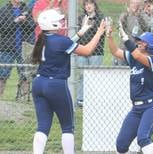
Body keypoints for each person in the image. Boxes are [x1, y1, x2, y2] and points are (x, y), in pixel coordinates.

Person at [31, 9, 105, 154]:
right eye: (58, 20)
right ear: (51, 24)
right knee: (67, 126)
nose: (62, 22)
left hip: (39, 83)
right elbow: (87, 50)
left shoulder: (42, 38)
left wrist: (82, 31)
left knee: (43, 126)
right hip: (55, 85)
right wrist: (99, 32)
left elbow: (65, 45)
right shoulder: (60, 40)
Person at [107, 21, 153, 154]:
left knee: (143, 138)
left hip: (152, 106)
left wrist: (125, 38)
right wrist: (109, 36)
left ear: (151, 46)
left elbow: (138, 55)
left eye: (142, 42)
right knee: (121, 145)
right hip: (136, 108)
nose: (139, 42)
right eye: (138, 41)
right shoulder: (134, 58)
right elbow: (115, 51)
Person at [0, 0, 35, 96]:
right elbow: (2, 28)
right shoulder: (4, 10)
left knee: (25, 75)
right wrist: (15, 21)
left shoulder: (26, 9)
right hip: (7, 48)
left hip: (23, 48)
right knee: (2, 75)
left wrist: (25, 21)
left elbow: (32, 27)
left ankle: (25, 97)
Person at [76, 0, 105, 107]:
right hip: (82, 51)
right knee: (82, 76)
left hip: (96, 52)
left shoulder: (100, 18)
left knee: (94, 76)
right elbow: (78, 34)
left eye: (90, 4)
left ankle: (94, 99)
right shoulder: (80, 18)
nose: (88, 6)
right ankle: (80, 99)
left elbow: (101, 34)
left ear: (94, 5)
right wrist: (83, 24)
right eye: (86, 4)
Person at [113, 0, 147, 66]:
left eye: (137, 3)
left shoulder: (143, 15)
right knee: (122, 69)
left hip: (138, 49)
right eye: (132, 3)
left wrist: (139, 16)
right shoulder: (125, 15)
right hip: (125, 48)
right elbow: (119, 26)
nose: (134, 5)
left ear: (140, 5)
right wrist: (126, 13)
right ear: (129, 5)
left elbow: (146, 28)